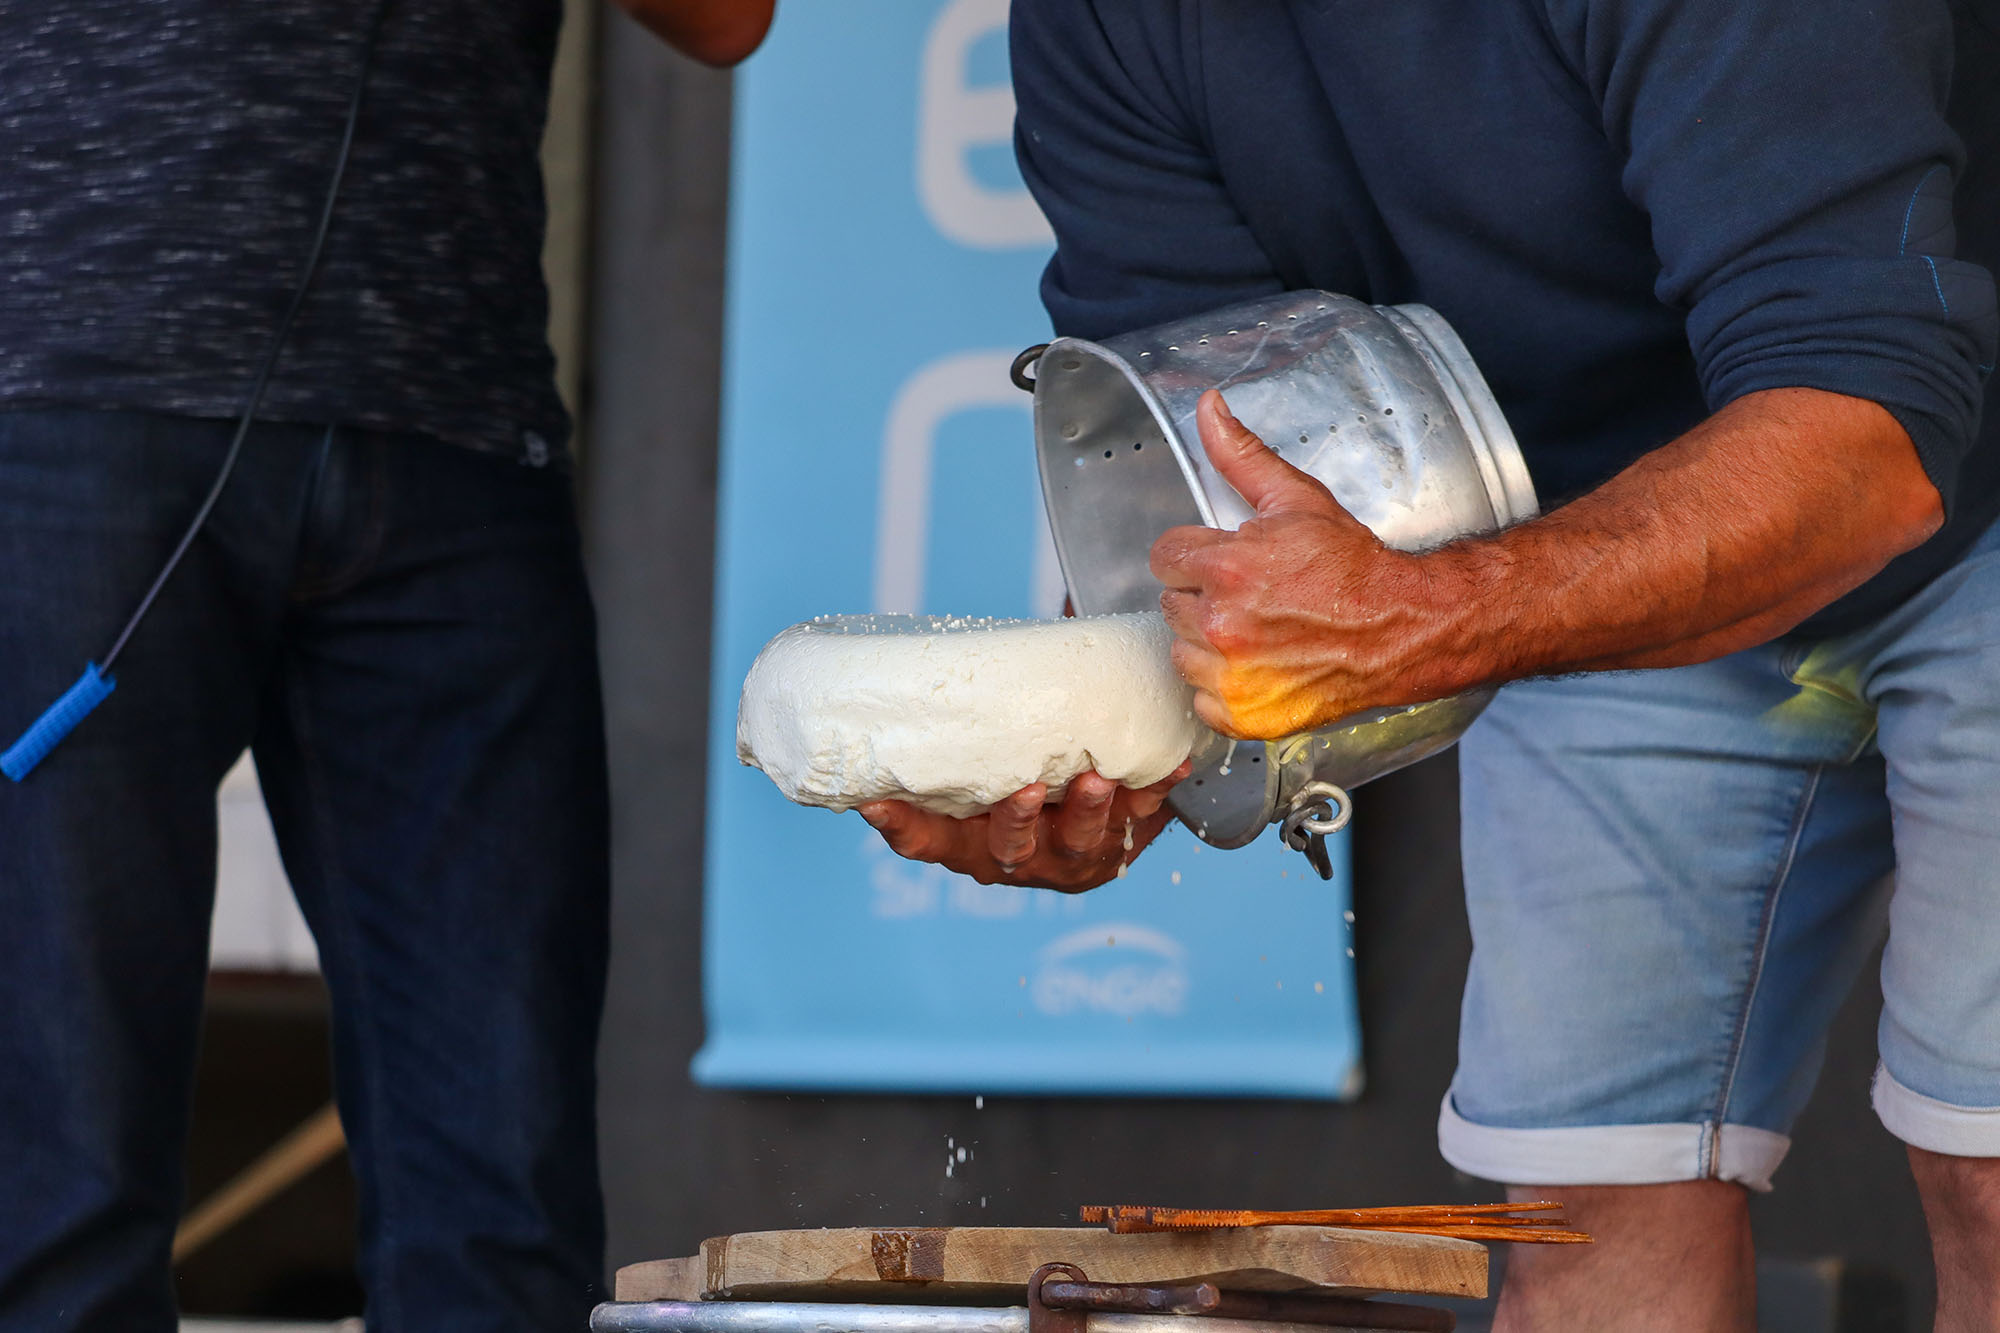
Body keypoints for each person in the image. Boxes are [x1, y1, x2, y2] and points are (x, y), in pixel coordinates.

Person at [861, 0, 2000, 1327]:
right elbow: (1199, 455)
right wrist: (1112, 735)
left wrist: (1434, 614)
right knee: (1581, 1219)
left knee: (1989, 1169)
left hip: (1913, 467)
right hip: (1586, 537)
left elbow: (1868, 438)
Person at [0, 2, 771, 1329]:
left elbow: (725, 21)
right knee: (54, 1203)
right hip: (71, 390)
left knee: (506, 1217)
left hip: (455, 431)